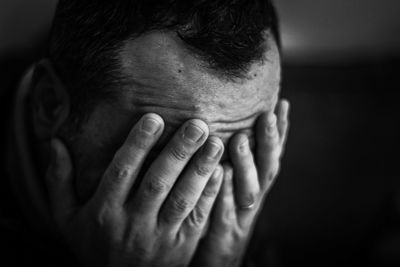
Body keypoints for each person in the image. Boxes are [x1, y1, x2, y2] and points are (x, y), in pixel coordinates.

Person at [2, 0, 290, 266]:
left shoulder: (238, 194)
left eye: (240, 154)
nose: (196, 211)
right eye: (162, 163)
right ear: (49, 105)